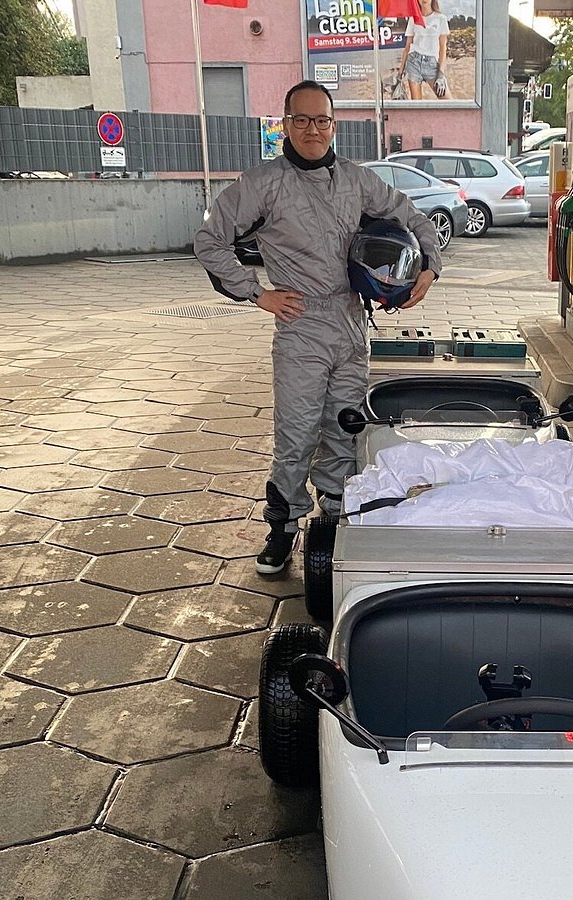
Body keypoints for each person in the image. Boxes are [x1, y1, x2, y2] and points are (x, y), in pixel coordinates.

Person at [194, 80, 440, 575]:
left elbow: (413, 216)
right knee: (297, 434)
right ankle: (283, 527)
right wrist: (257, 293)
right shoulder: (262, 184)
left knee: (345, 428)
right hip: (300, 325)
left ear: (333, 124)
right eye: (302, 120)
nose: (313, 129)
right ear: (285, 124)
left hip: (350, 323)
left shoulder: (356, 180)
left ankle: (336, 516)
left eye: (322, 120)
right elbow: (209, 240)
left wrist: (430, 266)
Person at [397, 0, 449, 100]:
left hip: (432, 65)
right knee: (416, 105)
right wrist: (399, 74)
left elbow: (443, 49)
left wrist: (441, 75)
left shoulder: (441, 18)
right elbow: (407, 47)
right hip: (414, 63)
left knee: (448, 101)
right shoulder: (413, 19)